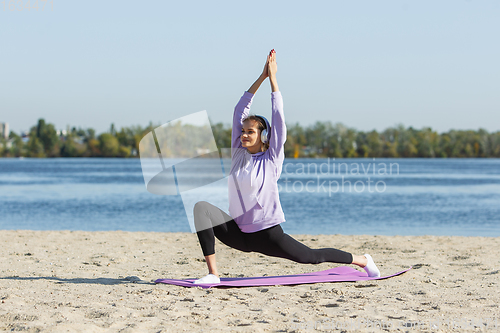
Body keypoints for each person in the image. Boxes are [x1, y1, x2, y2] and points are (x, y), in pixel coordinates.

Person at [193, 49, 380, 284]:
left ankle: (362, 260)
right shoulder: (238, 156)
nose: (244, 135)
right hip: (239, 235)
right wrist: (260, 77)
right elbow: (239, 110)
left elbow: (278, 118)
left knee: (313, 257)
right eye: (242, 131)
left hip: (268, 235)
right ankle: (213, 274)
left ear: (263, 136)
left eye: (250, 132)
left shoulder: (272, 158)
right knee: (202, 208)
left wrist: (273, 80)